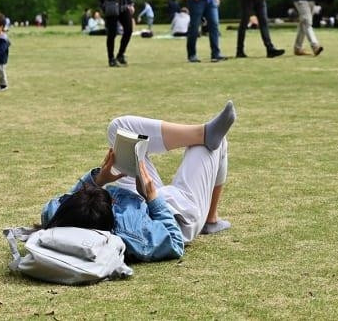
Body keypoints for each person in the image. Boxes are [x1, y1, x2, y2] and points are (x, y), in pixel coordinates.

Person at [41, 101, 236, 262]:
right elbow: (175, 243)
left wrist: (100, 179)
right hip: (175, 214)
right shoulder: (133, 233)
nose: (111, 193)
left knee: (118, 127)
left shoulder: (56, 214)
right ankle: (210, 220)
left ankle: (203, 133)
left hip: (136, 199)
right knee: (213, 145)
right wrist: (153, 198)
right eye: (110, 199)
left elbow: (71, 198)